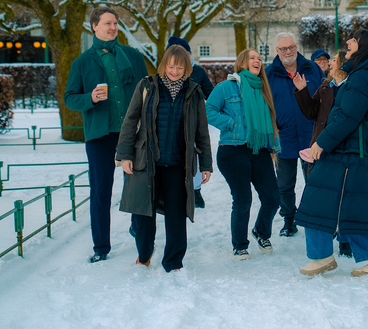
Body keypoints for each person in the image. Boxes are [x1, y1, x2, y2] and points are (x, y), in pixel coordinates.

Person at [295, 30, 368, 279]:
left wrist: (322, 142)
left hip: (348, 153)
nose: (347, 43)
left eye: (353, 41)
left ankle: (324, 257)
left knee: (319, 201)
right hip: (352, 153)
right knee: (352, 207)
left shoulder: (362, 77)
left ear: (364, 47)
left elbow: (348, 115)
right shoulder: (365, 74)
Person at [115, 45, 213, 271]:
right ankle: (144, 254)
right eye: (171, 66)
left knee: (176, 215)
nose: (175, 71)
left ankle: (173, 261)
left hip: (178, 165)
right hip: (146, 161)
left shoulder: (194, 92)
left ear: (186, 68)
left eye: (180, 67)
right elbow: (130, 121)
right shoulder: (147, 86)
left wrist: (206, 164)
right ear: (164, 65)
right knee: (143, 212)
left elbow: (202, 131)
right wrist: (125, 155)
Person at [64, 7, 148, 263]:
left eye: (115, 23)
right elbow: (70, 98)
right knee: (101, 191)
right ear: (94, 26)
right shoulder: (81, 62)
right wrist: (89, 98)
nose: (113, 27)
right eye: (108, 23)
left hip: (132, 134)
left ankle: (138, 228)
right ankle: (101, 247)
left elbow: (147, 89)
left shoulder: (133, 56)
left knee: (137, 187)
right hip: (100, 137)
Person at [207, 48, 281, 260]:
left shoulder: (263, 89)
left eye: (259, 58)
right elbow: (208, 110)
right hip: (233, 149)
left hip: (259, 149)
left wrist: (274, 145)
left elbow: (270, 121)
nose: (257, 60)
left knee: (272, 198)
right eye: (252, 58)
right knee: (243, 199)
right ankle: (240, 244)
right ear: (242, 63)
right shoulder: (226, 87)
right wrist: (231, 123)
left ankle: (261, 231)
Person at [293, 51, 353, 258]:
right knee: (322, 196)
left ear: (342, 64)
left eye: (334, 60)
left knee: (344, 195)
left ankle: (345, 240)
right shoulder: (325, 86)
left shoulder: (352, 87)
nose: (329, 63)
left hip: (343, 147)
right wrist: (302, 90)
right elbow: (311, 112)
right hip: (320, 148)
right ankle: (326, 235)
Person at [265, 32, 325, 237]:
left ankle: (316, 219)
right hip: (283, 138)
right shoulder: (269, 73)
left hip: (311, 137)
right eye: (283, 49)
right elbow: (264, 105)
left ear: (296, 46)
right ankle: (289, 220)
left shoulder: (312, 68)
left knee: (315, 182)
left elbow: (324, 98)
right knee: (284, 185)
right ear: (277, 51)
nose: (288, 52)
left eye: (291, 47)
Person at [167, 36, 213, 209]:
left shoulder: (198, 71)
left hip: (193, 120)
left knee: (194, 156)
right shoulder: (167, 71)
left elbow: (210, 93)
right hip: (171, 121)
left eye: (185, 53)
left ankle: (196, 191)